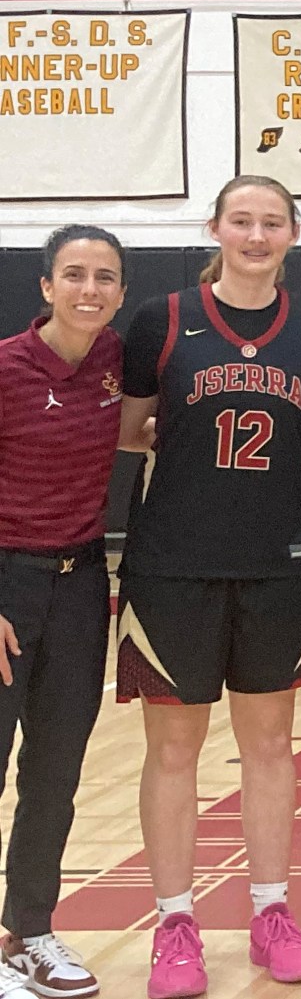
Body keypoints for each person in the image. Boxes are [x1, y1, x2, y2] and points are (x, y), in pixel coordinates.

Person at [116, 177, 301, 998]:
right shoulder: (162, 319)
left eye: (271, 223)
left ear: (292, 234)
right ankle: (176, 925)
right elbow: (128, 429)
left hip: (275, 565)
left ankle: (272, 913)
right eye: (240, 221)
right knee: (173, 752)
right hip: (173, 563)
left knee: (271, 748)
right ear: (213, 227)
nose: (255, 235)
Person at [0, 227, 127, 999]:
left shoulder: (117, 363)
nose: (90, 288)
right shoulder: (6, 366)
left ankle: (30, 932)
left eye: (105, 276)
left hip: (82, 584)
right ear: (45, 286)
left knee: (54, 771)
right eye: (73, 274)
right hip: (5, 584)